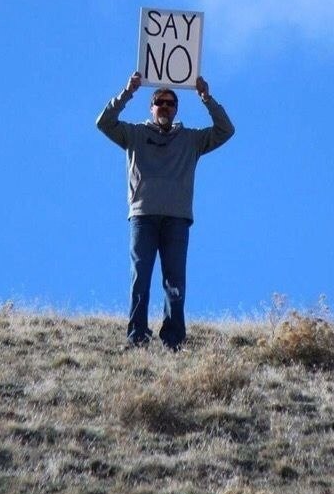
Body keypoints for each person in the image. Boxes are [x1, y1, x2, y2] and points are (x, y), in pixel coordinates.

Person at [96, 72, 234, 349]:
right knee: (140, 278)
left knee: (175, 282)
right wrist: (128, 91)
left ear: (176, 109)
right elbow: (104, 122)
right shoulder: (134, 134)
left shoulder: (191, 140)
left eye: (170, 103)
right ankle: (137, 336)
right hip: (143, 215)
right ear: (151, 107)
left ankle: (173, 339)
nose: (165, 107)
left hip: (177, 218)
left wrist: (206, 98)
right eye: (160, 102)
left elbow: (225, 130)